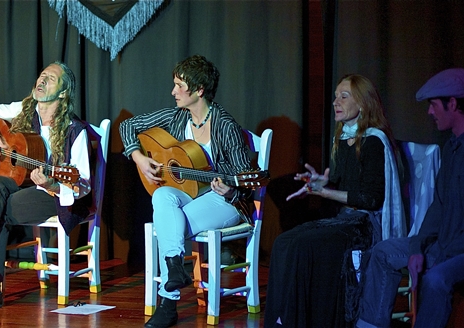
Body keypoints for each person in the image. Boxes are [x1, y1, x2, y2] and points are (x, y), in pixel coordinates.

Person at [119, 54, 256, 328]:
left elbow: (246, 185)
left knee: (171, 225)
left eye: (179, 86)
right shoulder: (177, 118)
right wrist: (139, 158)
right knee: (161, 195)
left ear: (199, 90)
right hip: (191, 194)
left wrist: (229, 191)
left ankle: (168, 304)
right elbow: (128, 126)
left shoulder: (225, 126)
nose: (173, 92)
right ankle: (175, 268)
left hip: (224, 203)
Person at [264, 74, 405, 327]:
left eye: (344, 96)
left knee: (304, 246)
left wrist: (327, 192)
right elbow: (340, 185)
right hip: (342, 219)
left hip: (364, 224)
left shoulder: (373, 141)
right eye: (335, 96)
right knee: (284, 242)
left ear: (362, 103)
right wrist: (321, 183)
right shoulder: (341, 138)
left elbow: (371, 199)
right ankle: (282, 320)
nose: (335, 102)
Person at [0, 61, 92, 308]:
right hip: (24, 185)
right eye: (42, 75)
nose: (42, 80)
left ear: (63, 92)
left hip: (54, 193)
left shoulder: (74, 130)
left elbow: (83, 186)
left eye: (51, 78)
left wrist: (52, 184)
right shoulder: (25, 109)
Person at [356, 68, 464, 328]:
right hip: (442, 245)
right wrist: (417, 248)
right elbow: (438, 208)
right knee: (383, 252)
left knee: (436, 280)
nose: (429, 112)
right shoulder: (452, 148)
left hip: (458, 252)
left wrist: (441, 255)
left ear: (453, 103)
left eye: (433, 105)